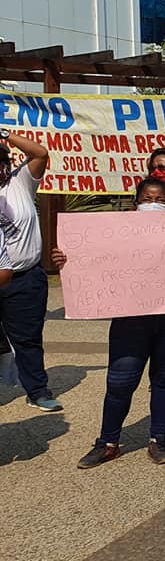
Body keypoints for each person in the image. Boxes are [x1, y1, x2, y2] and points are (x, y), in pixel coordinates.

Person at [61, 179, 165, 469]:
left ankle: (158, 439)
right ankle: (107, 442)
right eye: (147, 198)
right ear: (136, 203)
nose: (154, 203)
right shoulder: (116, 236)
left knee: (164, 379)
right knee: (119, 382)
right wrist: (67, 259)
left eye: (160, 198)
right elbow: (92, 261)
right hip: (132, 322)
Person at [0, 128, 58, 412]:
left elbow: (40, 153)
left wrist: (4, 133)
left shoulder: (20, 182)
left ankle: (37, 390)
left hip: (25, 279)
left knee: (28, 338)